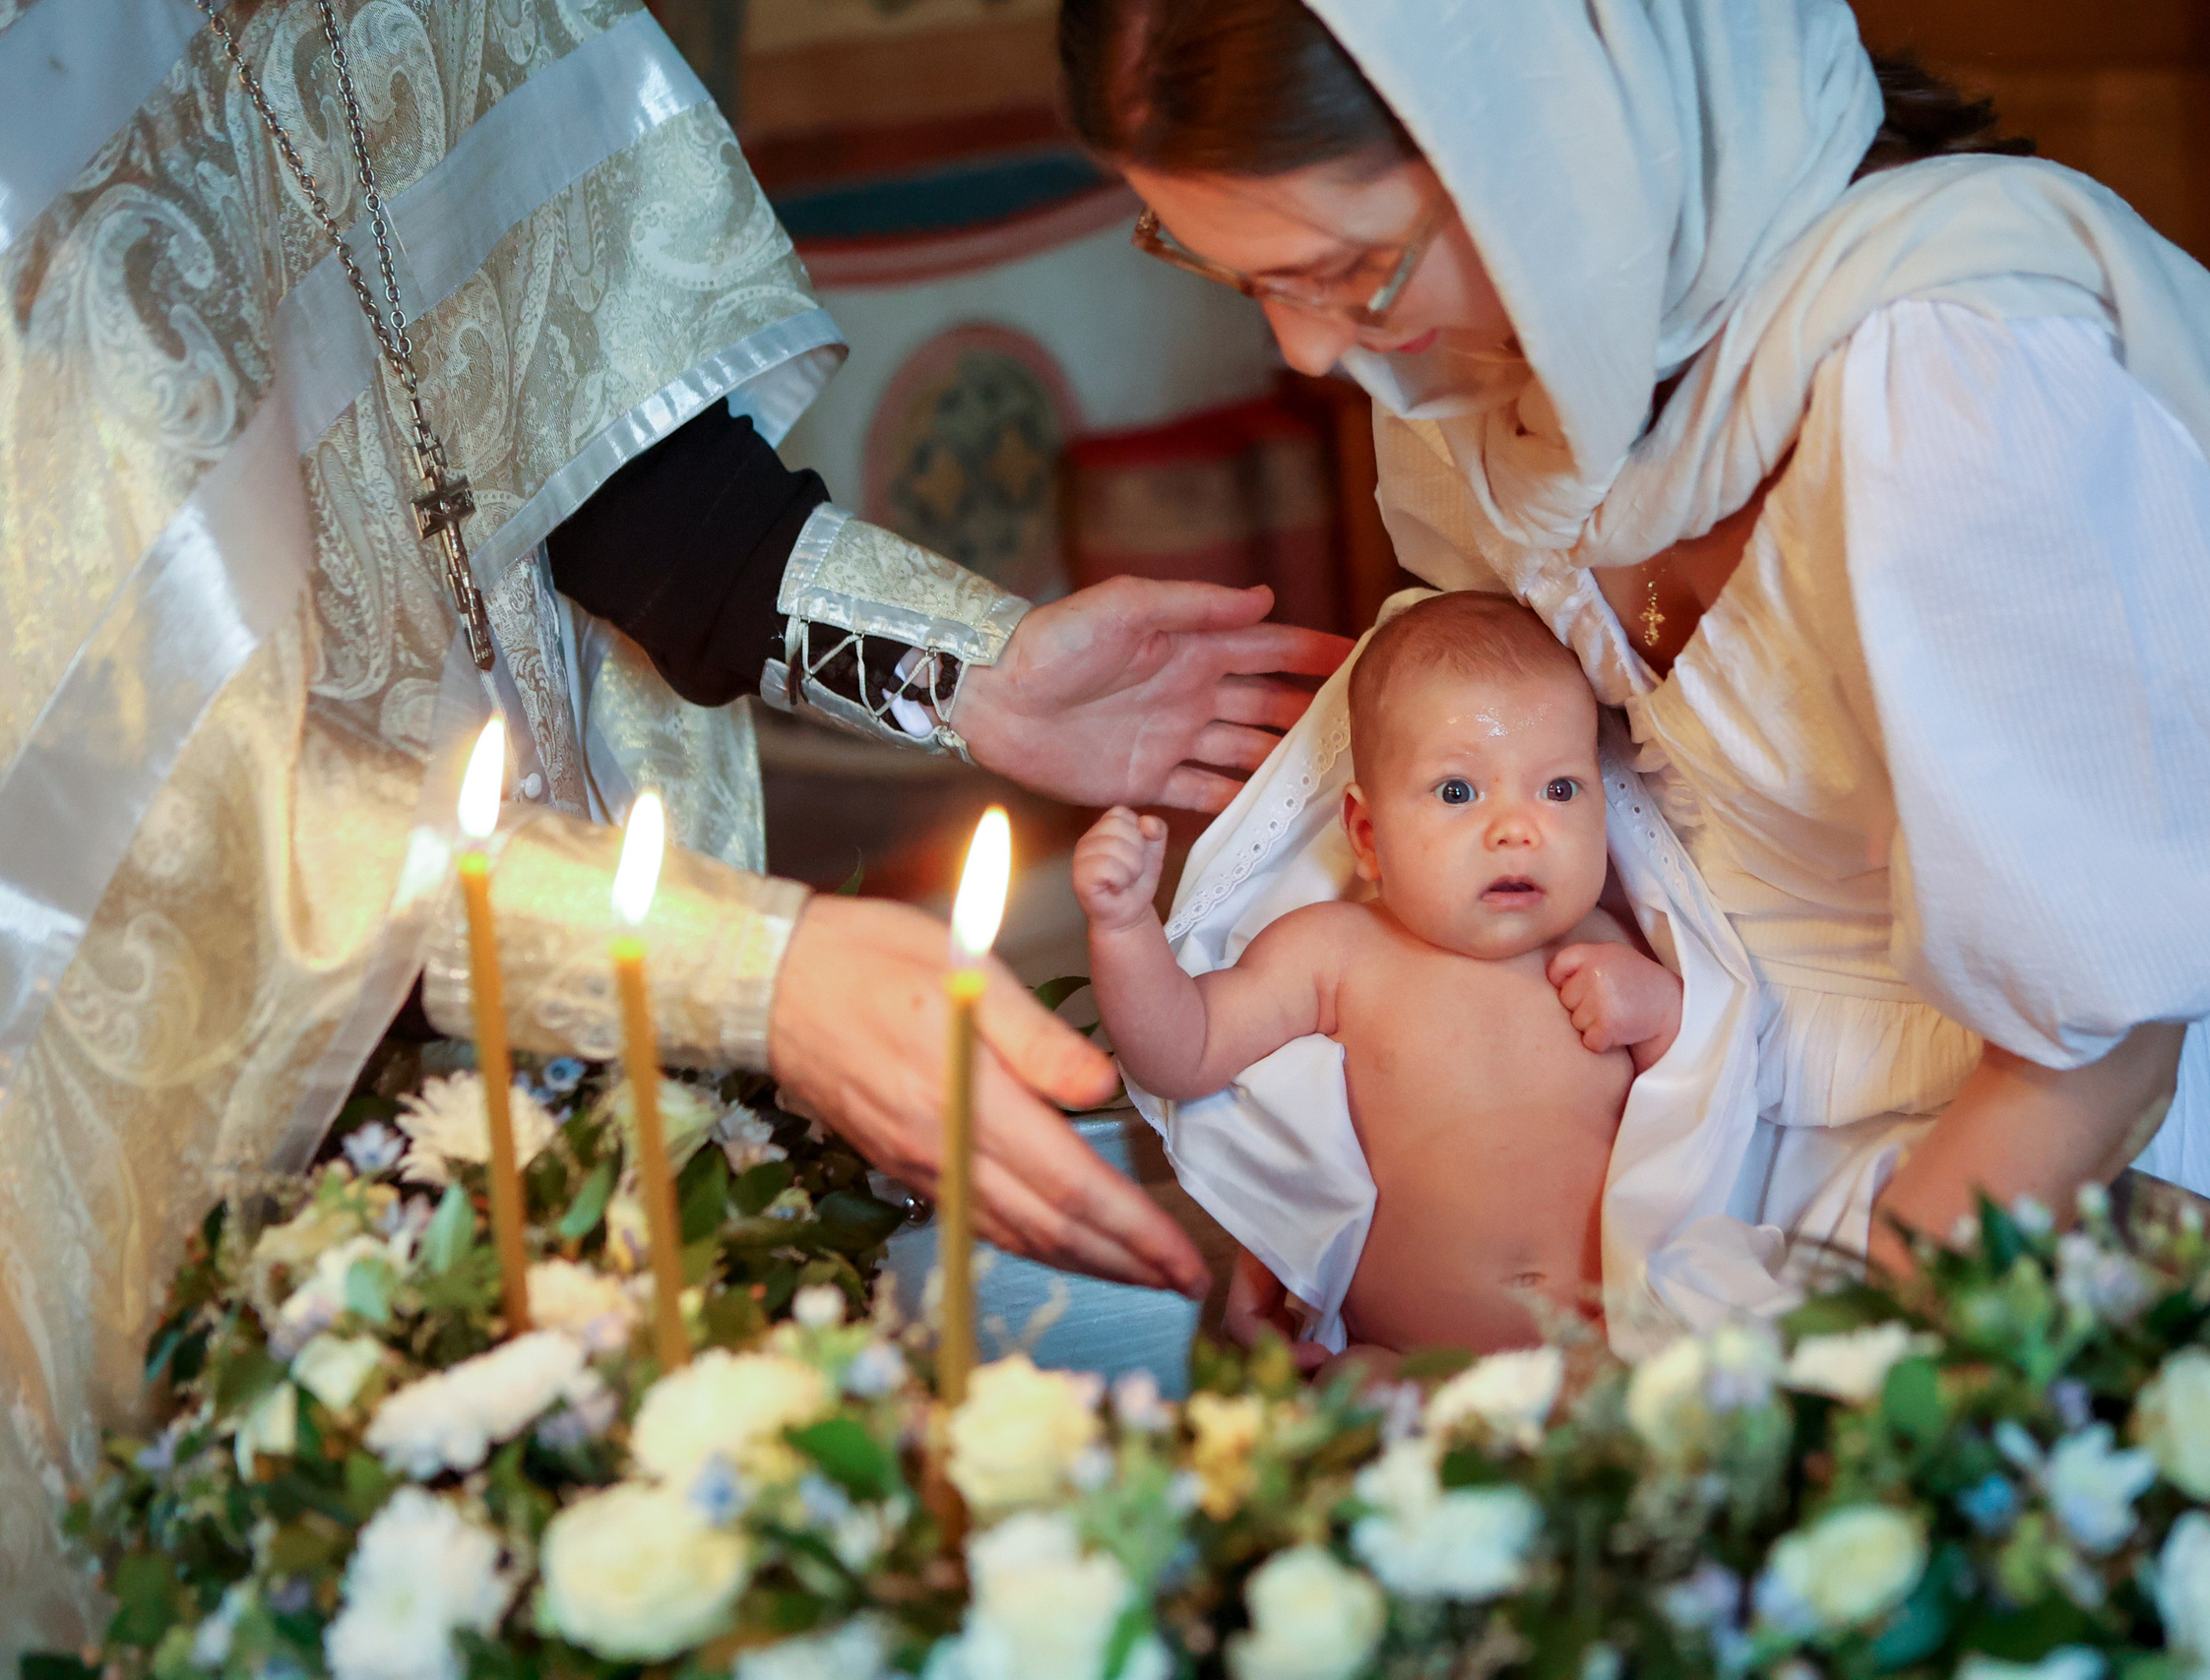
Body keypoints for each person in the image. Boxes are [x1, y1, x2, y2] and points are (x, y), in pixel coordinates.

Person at [0, 0, 1341, 1649]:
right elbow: (178, 827)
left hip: (585, 1036)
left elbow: (570, 430)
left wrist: (966, 671)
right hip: (176, 1116)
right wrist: (759, 975)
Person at [1057, 0, 2210, 1352]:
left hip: (1997, 1153)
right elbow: (1544, 796)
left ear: (1549, 135)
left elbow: (2105, 1038)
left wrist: (1846, 1362)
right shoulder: (1471, 378)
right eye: (1238, 273)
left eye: (1353, 269)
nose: (1308, 349)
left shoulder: (1960, 389)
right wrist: (1356, 1172)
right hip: (1669, 1125)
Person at [1077, 594, 1682, 1356]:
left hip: (1600, 1355)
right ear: (1367, 834)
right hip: (1406, 1367)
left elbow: (1701, 1110)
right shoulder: (1341, 954)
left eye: (1559, 788)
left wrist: (1661, 1015)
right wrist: (1126, 926)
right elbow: (1183, 1052)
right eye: (1459, 791)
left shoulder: (1614, 952)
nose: (1517, 828)